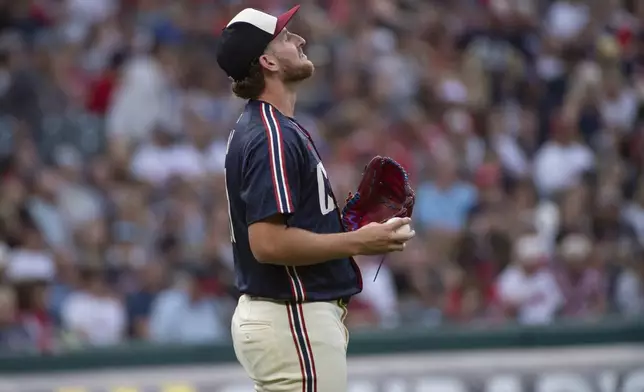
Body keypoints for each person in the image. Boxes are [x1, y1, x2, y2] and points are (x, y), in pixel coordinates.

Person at [215, 5, 415, 392]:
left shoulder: (267, 128)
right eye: (286, 37)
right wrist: (358, 241)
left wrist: (341, 225)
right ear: (267, 60)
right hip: (292, 316)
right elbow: (268, 243)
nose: (300, 39)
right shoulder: (271, 135)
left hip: (286, 318)